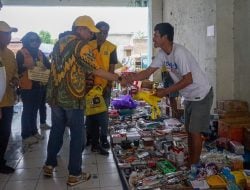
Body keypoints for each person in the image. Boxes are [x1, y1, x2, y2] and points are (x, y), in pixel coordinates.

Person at [43, 15, 125, 186]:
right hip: (73, 99)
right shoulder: (82, 46)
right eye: (89, 31)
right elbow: (97, 71)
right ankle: (75, 174)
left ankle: (49, 164)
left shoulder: (59, 42)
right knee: (77, 135)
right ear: (80, 29)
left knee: (57, 130)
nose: (91, 35)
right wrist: (118, 78)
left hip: (55, 97)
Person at [125, 22, 213, 167]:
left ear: (165, 37)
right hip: (189, 96)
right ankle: (192, 160)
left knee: (195, 131)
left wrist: (165, 92)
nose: (153, 38)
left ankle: (194, 167)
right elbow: (148, 72)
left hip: (201, 93)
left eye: (156, 35)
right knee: (189, 131)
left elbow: (188, 79)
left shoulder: (179, 53)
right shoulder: (162, 54)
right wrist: (131, 77)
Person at [86, 21, 118, 154]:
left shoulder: (111, 47)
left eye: (106, 32)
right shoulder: (88, 45)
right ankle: (90, 138)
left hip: (104, 86)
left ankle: (103, 138)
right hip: (89, 86)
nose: (104, 35)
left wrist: (108, 86)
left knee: (103, 113)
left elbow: (111, 69)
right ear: (95, 32)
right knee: (90, 113)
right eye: (101, 32)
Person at [16, 32, 51, 145]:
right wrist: (26, 66)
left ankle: (34, 131)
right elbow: (17, 68)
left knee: (34, 110)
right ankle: (26, 135)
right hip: (27, 87)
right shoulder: (21, 53)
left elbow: (48, 65)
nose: (34, 42)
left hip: (39, 86)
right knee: (27, 111)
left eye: (36, 40)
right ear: (26, 41)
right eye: (31, 40)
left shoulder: (40, 53)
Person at [0, 21, 18, 174]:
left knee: (5, 133)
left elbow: (15, 73)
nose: (9, 37)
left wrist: (15, 79)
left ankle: (0, 160)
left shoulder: (10, 53)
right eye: (7, 34)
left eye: (10, 34)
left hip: (8, 100)